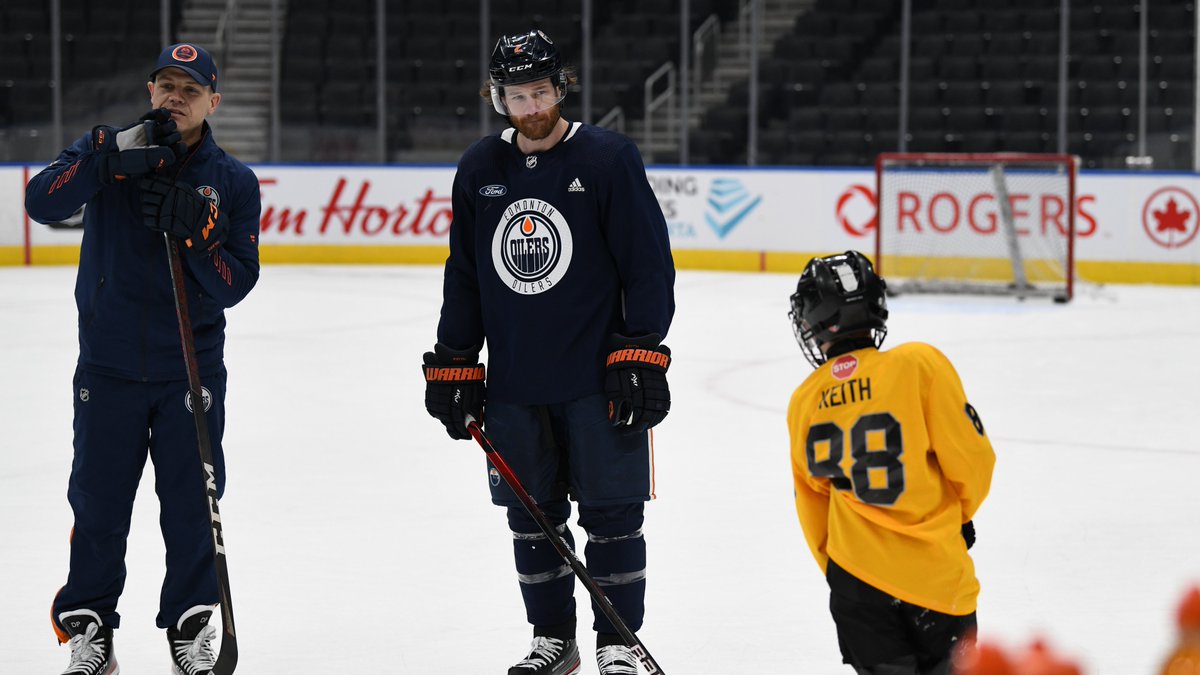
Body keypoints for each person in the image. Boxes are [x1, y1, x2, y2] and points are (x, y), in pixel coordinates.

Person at [421, 28, 675, 675]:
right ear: (497, 96)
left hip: (597, 379)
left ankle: (619, 641)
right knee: (530, 517)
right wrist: (455, 357)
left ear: (560, 87)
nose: (530, 106)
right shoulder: (480, 168)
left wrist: (641, 350)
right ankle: (552, 638)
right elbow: (466, 274)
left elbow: (647, 266)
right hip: (515, 383)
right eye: (515, 94)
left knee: (613, 514)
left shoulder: (609, 158)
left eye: (539, 91)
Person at [24, 43, 260, 675]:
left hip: (192, 369)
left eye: (190, 88)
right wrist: (104, 159)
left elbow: (236, 284)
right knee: (98, 505)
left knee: (191, 507)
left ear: (214, 101)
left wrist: (196, 236)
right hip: (110, 366)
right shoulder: (111, 151)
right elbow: (42, 201)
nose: (175, 97)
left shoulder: (233, 181)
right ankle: (90, 628)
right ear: (151, 91)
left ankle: (189, 624)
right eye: (166, 85)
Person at [785, 251, 995, 675]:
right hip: (937, 579)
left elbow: (812, 504)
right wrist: (958, 516)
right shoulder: (919, 365)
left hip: (857, 587)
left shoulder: (805, 399)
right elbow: (973, 460)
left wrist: (841, 568)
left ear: (811, 319)